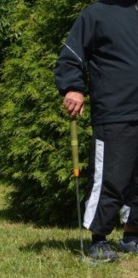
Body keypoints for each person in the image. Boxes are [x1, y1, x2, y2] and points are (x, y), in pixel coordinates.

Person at [55, 0, 138, 262]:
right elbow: (71, 56)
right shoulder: (96, 14)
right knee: (110, 178)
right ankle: (98, 240)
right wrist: (73, 87)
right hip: (115, 112)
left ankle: (131, 237)